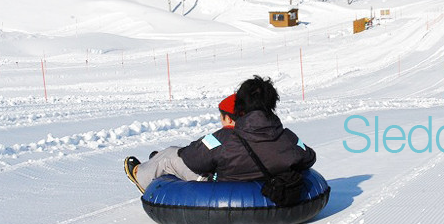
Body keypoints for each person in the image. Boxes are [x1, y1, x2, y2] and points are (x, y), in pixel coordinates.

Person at [125, 76, 317, 192]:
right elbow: (309, 157)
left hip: (220, 188)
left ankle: (140, 176)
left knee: (170, 155)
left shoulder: (224, 138)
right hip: (265, 182)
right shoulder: (288, 138)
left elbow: (190, 158)